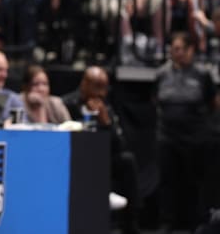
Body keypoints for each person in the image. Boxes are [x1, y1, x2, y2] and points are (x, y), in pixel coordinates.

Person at [62, 66, 141, 234]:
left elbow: (120, 145)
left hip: (103, 160)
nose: (101, 93)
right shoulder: (67, 104)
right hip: (76, 160)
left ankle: (130, 224)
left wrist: (106, 123)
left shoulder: (107, 108)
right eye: (97, 86)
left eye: (104, 87)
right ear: (84, 84)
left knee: (128, 160)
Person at [153, 32, 217, 233]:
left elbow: (212, 103)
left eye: (179, 48)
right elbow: (155, 100)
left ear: (191, 50)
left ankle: (194, 223)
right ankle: (166, 221)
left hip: (195, 137)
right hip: (167, 135)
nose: (175, 52)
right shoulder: (161, 73)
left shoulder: (202, 74)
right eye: (173, 48)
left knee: (194, 182)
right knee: (167, 180)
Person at [3, 64, 71, 124]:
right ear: (26, 86)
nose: (41, 89)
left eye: (45, 84)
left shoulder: (56, 103)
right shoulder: (17, 102)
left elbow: (70, 127)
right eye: (35, 84)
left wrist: (41, 106)